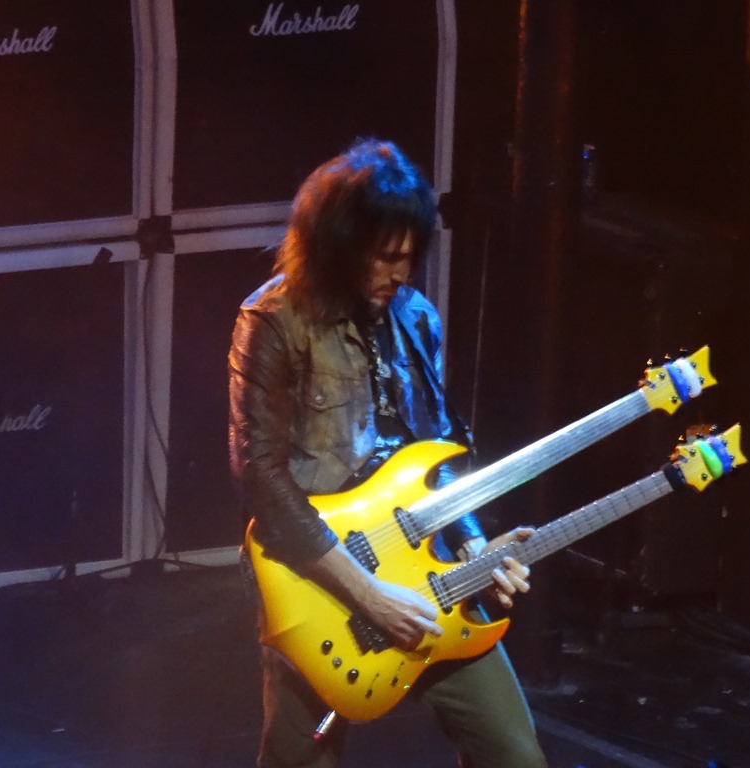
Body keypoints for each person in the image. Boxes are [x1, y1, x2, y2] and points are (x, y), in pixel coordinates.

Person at [229, 138, 547, 768]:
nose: (400, 274)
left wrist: (474, 546)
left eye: (409, 257)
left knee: (516, 756)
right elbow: (260, 477)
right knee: (302, 760)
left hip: (428, 574)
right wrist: (368, 595)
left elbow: (437, 455)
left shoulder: (416, 317)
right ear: (339, 246)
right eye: (385, 257)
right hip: (320, 583)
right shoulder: (272, 320)